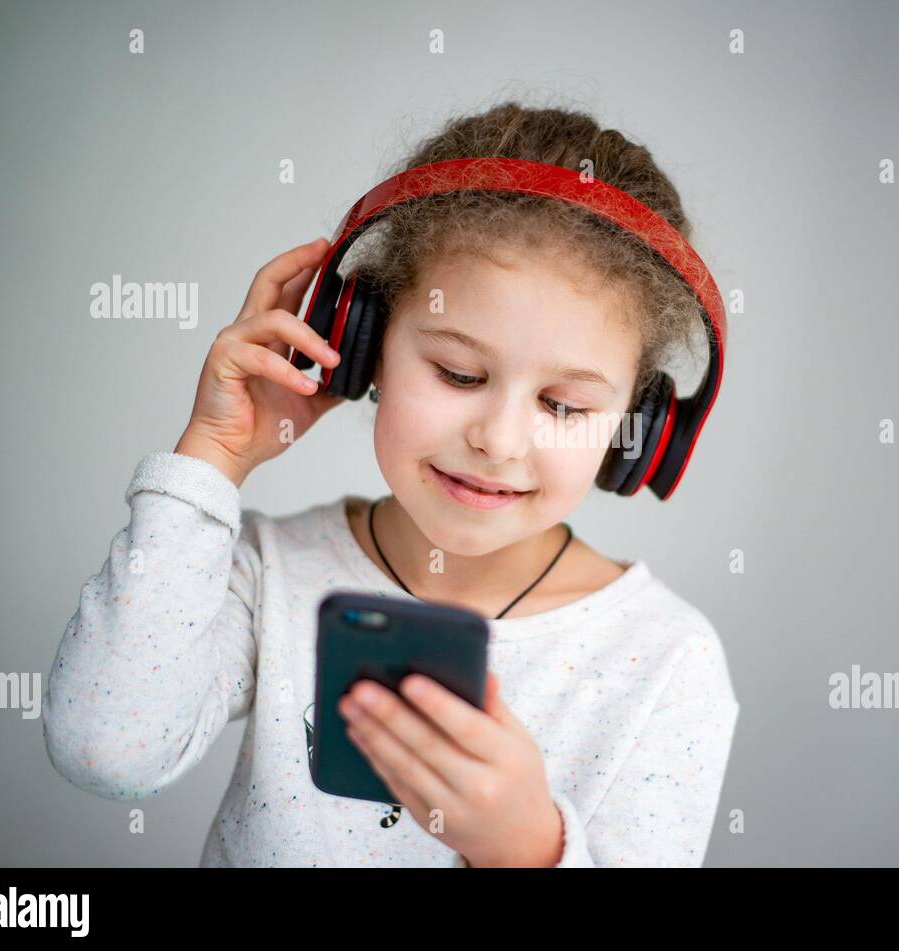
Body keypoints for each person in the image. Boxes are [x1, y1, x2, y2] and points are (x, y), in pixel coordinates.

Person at [42, 101, 739, 867]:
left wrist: (527, 847)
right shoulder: (273, 569)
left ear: (637, 428)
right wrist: (214, 455)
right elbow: (105, 746)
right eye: (457, 372)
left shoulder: (666, 661)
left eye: (563, 405)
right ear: (360, 343)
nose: (498, 439)